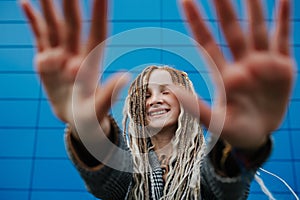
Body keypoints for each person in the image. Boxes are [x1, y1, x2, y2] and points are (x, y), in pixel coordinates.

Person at [20, 0, 294, 199]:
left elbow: (225, 186)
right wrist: (87, 128)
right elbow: (108, 176)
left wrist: (243, 147)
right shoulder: (128, 168)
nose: (154, 100)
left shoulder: (206, 167)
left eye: (166, 90)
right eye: (146, 94)